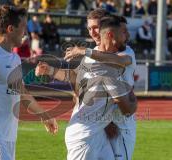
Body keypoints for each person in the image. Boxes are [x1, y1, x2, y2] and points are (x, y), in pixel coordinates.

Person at [35, 9, 137, 159]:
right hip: (94, 128)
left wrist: (85, 51)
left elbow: (120, 62)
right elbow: (77, 78)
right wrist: (51, 70)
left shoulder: (125, 52)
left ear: (106, 28)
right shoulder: (93, 53)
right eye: (89, 28)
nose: (92, 32)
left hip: (120, 127)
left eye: (95, 27)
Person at [0, 5, 57, 160]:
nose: (25, 32)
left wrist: (44, 115)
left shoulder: (14, 58)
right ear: (11, 29)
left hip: (8, 140)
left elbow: (21, 91)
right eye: (23, 27)